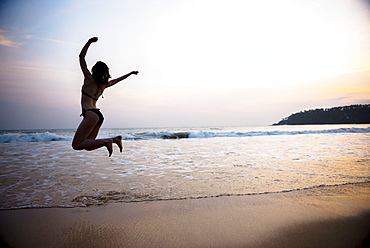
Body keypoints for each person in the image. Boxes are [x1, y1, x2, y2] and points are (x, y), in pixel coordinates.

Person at [72, 37, 138, 156]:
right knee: (89, 145)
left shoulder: (89, 79)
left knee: (76, 145)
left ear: (94, 70)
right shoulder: (104, 85)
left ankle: (107, 141)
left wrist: (89, 42)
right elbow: (117, 80)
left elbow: (81, 57)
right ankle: (114, 139)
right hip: (99, 116)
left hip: (90, 114)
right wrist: (130, 73)